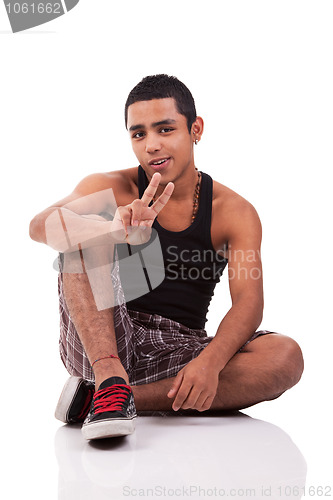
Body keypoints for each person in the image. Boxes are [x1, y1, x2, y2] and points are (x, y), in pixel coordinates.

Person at [29, 74, 304, 441]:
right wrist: (111, 230)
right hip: (105, 337)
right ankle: (109, 380)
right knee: (85, 230)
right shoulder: (113, 186)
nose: (152, 145)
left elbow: (249, 303)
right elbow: (39, 225)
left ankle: (108, 400)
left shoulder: (233, 211)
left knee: (285, 355)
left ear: (196, 129)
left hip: (180, 348)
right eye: (139, 134)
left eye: (165, 129)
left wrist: (210, 363)